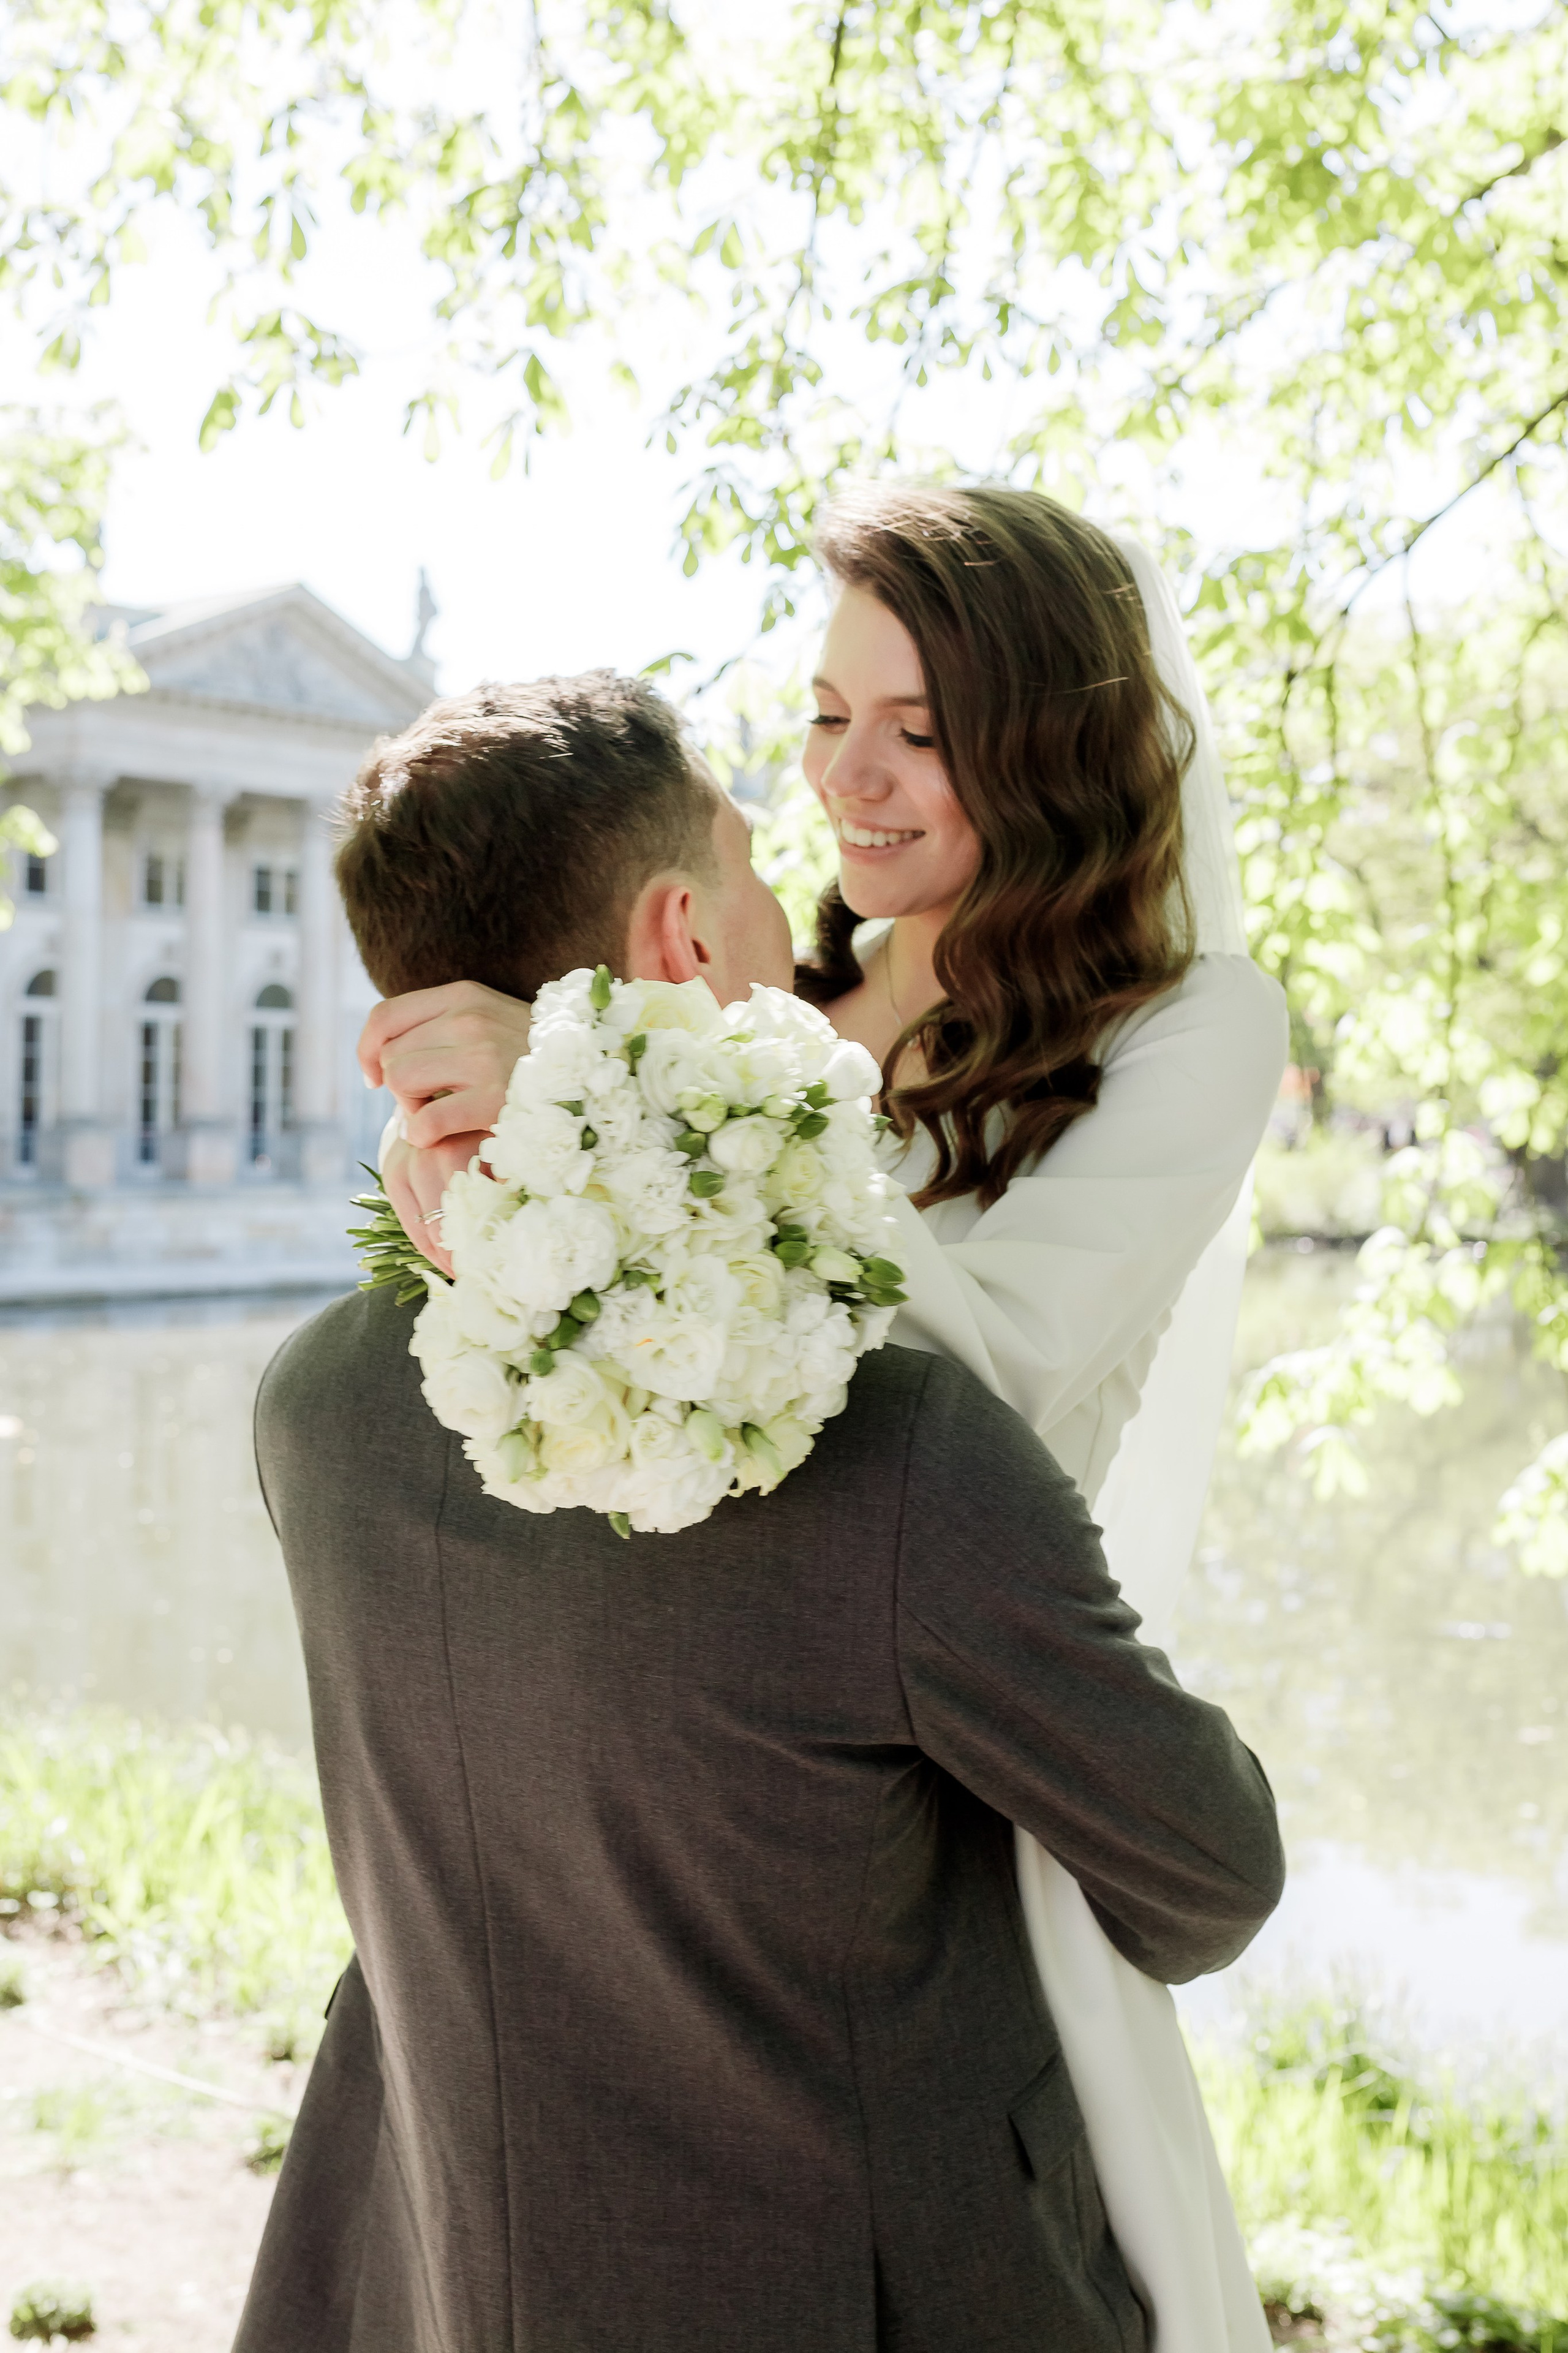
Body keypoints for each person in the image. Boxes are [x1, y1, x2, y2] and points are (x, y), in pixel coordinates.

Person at [235, 670, 1284, 2353]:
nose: (790, 900)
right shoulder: (887, 1444)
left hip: (431, 2272)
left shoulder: (318, 1404)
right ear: (675, 936)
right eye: (743, 856)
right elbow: (1209, 1875)